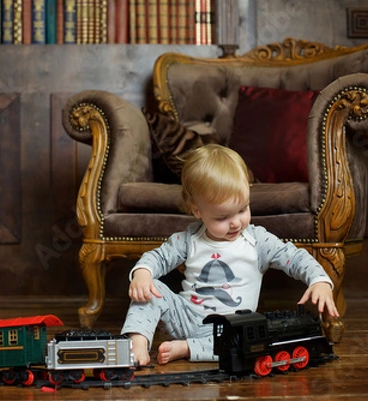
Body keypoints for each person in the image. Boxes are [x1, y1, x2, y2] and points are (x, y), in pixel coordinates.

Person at [120, 144, 339, 366]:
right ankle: (137, 343)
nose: (236, 222)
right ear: (198, 211)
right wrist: (143, 274)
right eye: (222, 217)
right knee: (151, 290)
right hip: (185, 317)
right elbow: (158, 257)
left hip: (229, 327)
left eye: (243, 209)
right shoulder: (189, 239)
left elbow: (294, 257)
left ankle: (187, 348)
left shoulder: (257, 242)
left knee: (248, 345)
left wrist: (319, 281)